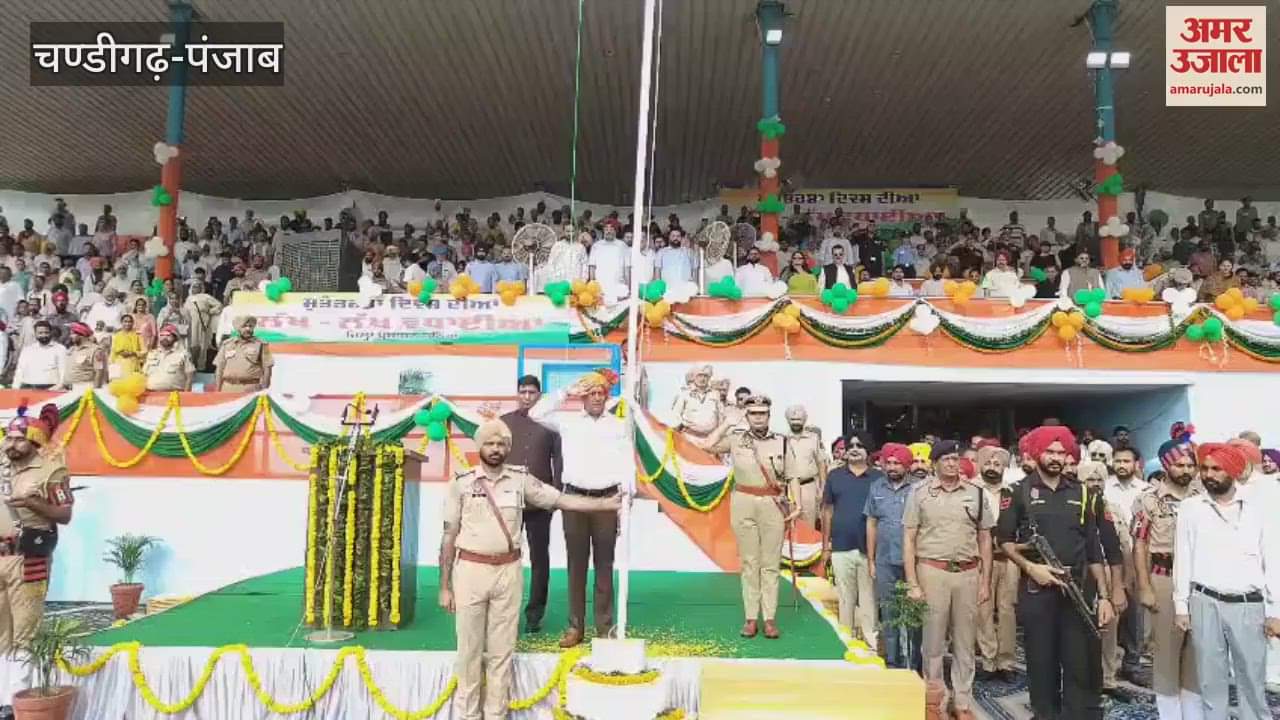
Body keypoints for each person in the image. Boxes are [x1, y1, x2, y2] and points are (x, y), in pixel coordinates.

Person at [438, 419, 621, 720]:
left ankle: (495, 715)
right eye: (490, 444)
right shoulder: (462, 483)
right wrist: (445, 586)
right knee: (469, 653)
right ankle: (467, 716)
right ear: (479, 447)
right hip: (470, 571)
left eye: (501, 445)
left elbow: (560, 499)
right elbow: (448, 537)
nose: (495, 450)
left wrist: (605, 505)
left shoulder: (520, 480)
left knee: (501, 653)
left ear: (508, 449)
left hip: (508, 574)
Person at [998, 426, 1118, 720]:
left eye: (1061, 452)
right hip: (1037, 592)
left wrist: (1104, 597)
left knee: (1079, 666)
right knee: (1041, 666)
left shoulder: (1084, 493)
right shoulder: (1018, 492)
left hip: (1077, 591)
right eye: (1049, 451)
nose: (1055, 458)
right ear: (1038, 453)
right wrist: (1031, 567)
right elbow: (1003, 541)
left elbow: (1094, 550)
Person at [526, 370, 631, 647]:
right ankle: (575, 627)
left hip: (607, 501)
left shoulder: (619, 424)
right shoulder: (568, 422)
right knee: (576, 566)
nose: (596, 398)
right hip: (573, 501)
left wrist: (626, 494)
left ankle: (605, 627)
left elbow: (626, 461)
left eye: (601, 393)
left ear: (607, 397)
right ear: (583, 397)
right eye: (591, 393)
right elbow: (536, 413)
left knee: (605, 566)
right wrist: (567, 391)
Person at [1172, 443, 1277, 720]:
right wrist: (1181, 605)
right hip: (1204, 602)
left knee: (1252, 681)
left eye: (1216, 469)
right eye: (1204, 469)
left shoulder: (1259, 507)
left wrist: (1274, 611)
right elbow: (1183, 557)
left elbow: (1273, 560)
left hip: (1248, 604)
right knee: (1210, 681)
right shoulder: (1190, 508)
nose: (1208, 475)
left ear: (1232, 470)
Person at [903, 440, 994, 720]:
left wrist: (984, 581)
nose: (952, 464)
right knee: (932, 641)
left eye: (955, 459)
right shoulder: (920, 493)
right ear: (935, 463)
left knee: (965, 642)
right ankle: (935, 700)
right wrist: (912, 583)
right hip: (932, 571)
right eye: (946, 459)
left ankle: (962, 702)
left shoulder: (977, 494)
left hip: (968, 572)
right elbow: (909, 538)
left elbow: (985, 538)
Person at [696, 394, 800, 639]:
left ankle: (770, 618)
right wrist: (726, 423)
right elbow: (706, 445)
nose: (758, 417)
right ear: (747, 415)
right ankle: (751, 618)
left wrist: (795, 504)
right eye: (753, 413)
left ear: (769, 415)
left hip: (772, 503)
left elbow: (793, 476)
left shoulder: (782, 442)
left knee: (771, 564)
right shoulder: (735, 439)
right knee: (750, 563)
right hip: (743, 501)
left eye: (762, 413)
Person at [1132, 428, 1203, 720]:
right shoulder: (1148, 501)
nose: (1185, 470)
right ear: (1165, 465)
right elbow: (1139, 545)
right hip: (1163, 578)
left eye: (1190, 465)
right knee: (1166, 652)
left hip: (1200, 582)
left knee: (1197, 652)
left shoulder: (1203, 497)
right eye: (1179, 464)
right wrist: (1145, 586)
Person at [0, 404, 73, 653]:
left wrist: (33, 503)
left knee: (25, 635)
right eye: (8, 438)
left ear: (35, 441)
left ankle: (22, 688)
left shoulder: (51, 471)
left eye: (19, 440)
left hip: (27, 556)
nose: (11, 445)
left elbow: (64, 514)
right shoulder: (2, 464)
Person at [498, 375, 562, 635]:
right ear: (517, 394)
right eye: (522, 392)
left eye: (532, 392)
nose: (527, 396)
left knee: (539, 559)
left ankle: (534, 615)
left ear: (539, 395)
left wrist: (555, 495)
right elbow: (494, 457)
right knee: (503, 557)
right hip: (508, 500)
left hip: (539, 502)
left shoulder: (550, 424)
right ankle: (503, 613)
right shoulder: (504, 423)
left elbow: (559, 461)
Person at [820, 432, 881, 646]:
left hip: (869, 549)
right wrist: (826, 546)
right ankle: (845, 642)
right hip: (840, 546)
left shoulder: (878, 478)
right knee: (845, 596)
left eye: (860, 446)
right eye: (850, 446)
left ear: (868, 452)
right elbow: (827, 511)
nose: (854, 449)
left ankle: (870, 644)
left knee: (868, 598)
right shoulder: (835, 476)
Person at [864, 442, 921, 670]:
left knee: (915, 615)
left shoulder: (919, 488)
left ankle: (916, 663)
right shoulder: (876, 487)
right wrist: (871, 560)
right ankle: (892, 661)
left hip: (914, 563)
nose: (892, 467)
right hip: (885, 560)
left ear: (906, 466)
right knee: (888, 613)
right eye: (889, 462)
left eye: (897, 463)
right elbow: (871, 523)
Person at [974, 444, 1019, 682]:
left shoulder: (1013, 493)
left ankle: (1006, 662)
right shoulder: (971, 490)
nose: (992, 468)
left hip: (1009, 559)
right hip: (980, 560)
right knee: (983, 609)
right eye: (988, 464)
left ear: (1004, 468)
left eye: (997, 464)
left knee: (1007, 610)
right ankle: (988, 661)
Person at [782, 405, 826, 527]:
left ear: (805, 419)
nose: (796, 423)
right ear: (787, 419)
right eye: (793, 420)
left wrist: (822, 488)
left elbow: (821, 463)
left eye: (799, 420)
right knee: (789, 525)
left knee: (808, 524)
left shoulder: (814, 438)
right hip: (788, 489)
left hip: (808, 487)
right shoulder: (782, 439)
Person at [214, 316, 273, 392]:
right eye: (244, 326)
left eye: (250, 326)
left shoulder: (260, 344)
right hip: (228, 388)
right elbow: (219, 368)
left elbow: (267, 367)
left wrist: (265, 389)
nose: (248, 329)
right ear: (238, 328)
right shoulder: (227, 344)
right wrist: (218, 390)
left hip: (250, 388)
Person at [12, 321, 66, 390]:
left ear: (51, 332)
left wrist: (59, 386)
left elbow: (63, 370)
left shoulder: (60, 349)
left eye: (46, 332)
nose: (44, 335)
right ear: (35, 334)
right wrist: (15, 387)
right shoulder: (27, 350)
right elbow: (20, 370)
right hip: (28, 388)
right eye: (40, 333)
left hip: (51, 388)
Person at [671, 365, 721, 437]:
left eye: (705, 376)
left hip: (711, 438)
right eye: (700, 375)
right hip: (690, 436)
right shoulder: (685, 394)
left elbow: (721, 416)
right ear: (694, 377)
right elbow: (676, 414)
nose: (702, 379)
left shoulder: (715, 394)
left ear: (709, 378)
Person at [142, 325, 195, 392]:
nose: (164, 337)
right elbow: (144, 375)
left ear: (175, 338)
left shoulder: (183, 354)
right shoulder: (151, 354)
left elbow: (189, 377)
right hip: (151, 394)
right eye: (162, 335)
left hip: (174, 396)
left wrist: (185, 396)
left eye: (168, 335)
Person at [58, 323, 104, 392]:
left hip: (84, 389)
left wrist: (96, 392)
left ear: (81, 334)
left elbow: (99, 372)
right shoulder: (71, 349)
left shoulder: (95, 350)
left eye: (73, 334)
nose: (70, 336)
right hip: (67, 389)